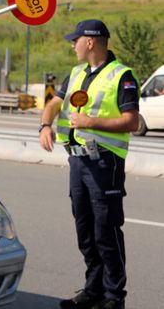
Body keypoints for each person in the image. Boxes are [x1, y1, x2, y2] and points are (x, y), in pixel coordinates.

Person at [38, 20, 139, 309]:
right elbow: (55, 103)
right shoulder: (77, 72)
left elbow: (131, 121)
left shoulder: (122, 76)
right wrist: (45, 125)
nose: (73, 45)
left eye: (76, 40)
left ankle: (113, 297)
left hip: (105, 162)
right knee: (85, 231)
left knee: (106, 232)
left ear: (90, 42)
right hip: (77, 161)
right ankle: (92, 290)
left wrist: (91, 122)